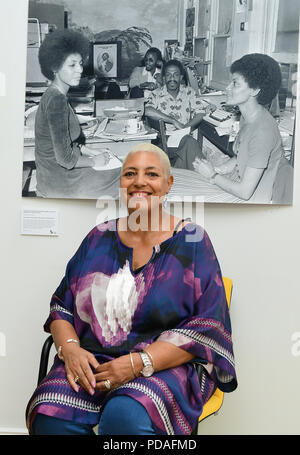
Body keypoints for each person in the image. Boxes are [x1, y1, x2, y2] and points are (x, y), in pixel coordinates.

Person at [25, 143, 237, 435]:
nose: (139, 181)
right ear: (121, 182)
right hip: (94, 361)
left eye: (151, 174)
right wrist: (70, 350)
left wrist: (139, 363)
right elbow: (62, 306)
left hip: (164, 365)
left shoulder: (193, 241)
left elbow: (206, 327)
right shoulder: (98, 237)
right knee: (50, 412)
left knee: (124, 415)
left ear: (168, 184)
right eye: (130, 174)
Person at [35, 29, 121, 199]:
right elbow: (65, 159)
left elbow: (62, 143)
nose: (80, 69)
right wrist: (94, 161)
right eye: (72, 65)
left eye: (80, 63)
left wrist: (90, 150)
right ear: (55, 67)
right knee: (127, 174)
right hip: (62, 182)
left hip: (53, 177)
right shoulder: (57, 101)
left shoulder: (53, 94)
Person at [193, 53, 284, 203]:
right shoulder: (247, 117)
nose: (227, 88)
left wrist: (213, 176)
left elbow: (245, 192)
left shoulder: (262, 131)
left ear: (255, 90)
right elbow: (241, 156)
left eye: (235, 83)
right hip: (239, 187)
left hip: (250, 203)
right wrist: (220, 169)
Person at [145, 59, 215, 169]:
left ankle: (197, 175)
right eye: (168, 75)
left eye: (175, 75)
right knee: (191, 144)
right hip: (164, 142)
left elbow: (200, 113)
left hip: (184, 137)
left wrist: (185, 128)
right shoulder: (156, 94)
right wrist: (173, 121)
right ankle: (210, 175)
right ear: (164, 78)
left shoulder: (189, 92)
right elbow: (148, 110)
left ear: (181, 77)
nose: (172, 79)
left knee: (189, 144)